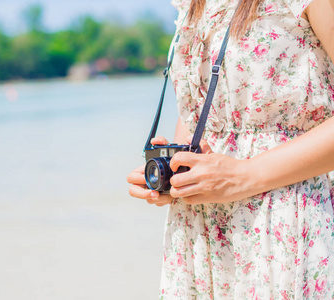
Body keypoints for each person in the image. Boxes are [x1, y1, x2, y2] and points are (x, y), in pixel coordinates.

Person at [127, 0, 334, 298]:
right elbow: (194, 117)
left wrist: (246, 175)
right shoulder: (190, 4)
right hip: (200, 234)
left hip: (284, 224)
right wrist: (175, 177)